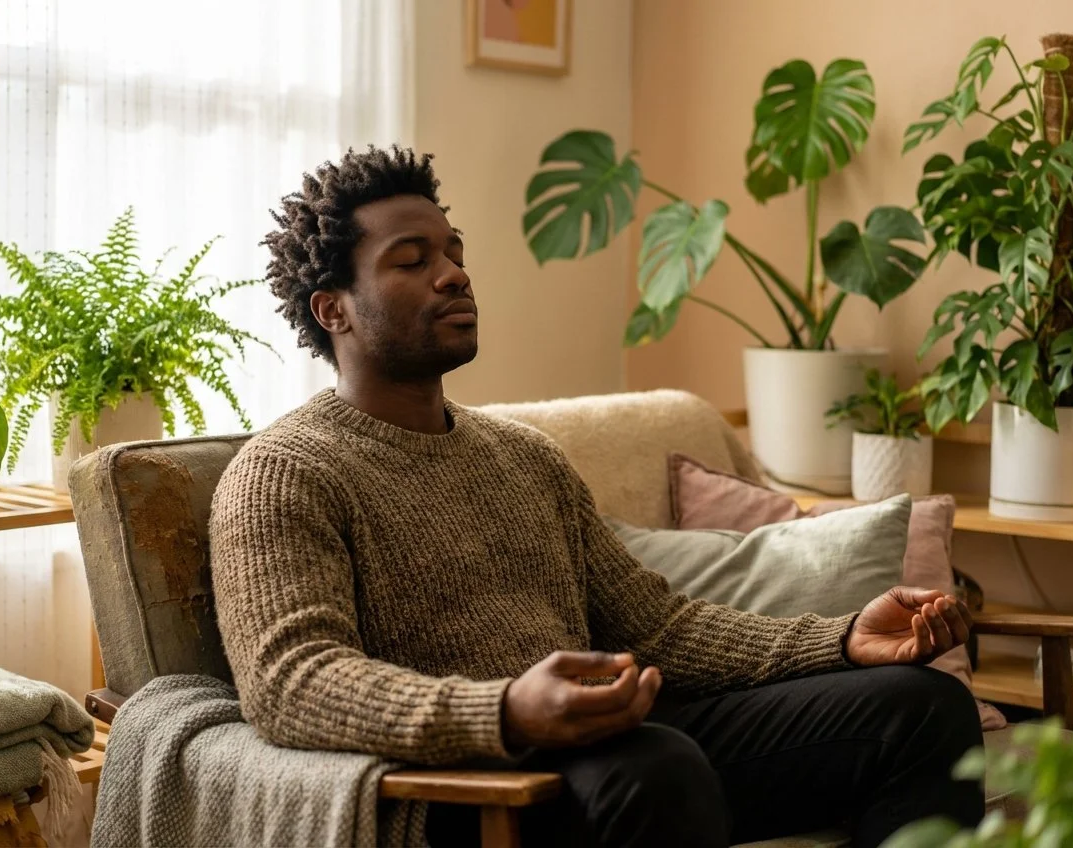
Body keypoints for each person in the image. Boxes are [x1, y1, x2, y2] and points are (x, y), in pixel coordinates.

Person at [209, 147, 984, 848]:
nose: (453, 274)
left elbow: (658, 627)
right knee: (656, 762)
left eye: (454, 252)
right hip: (471, 785)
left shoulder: (524, 457)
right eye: (412, 261)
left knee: (920, 708)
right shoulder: (285, 471)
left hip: (614, 746)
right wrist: (505, 710)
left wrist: (842, 639)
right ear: (332, 308)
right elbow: (291, 682)